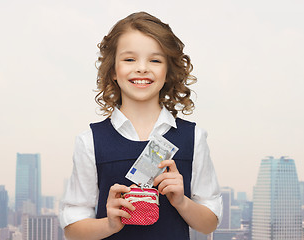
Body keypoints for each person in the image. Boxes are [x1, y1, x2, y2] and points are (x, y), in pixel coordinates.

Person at [59, 12, 222, 240]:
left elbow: (208, 224)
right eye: (129, 59)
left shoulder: (193, 138)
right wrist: (109, 225)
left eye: (155, 60)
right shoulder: (89, 142)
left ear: (168, 71)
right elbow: (72, 229)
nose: (142, 68)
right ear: (113, 70)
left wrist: (181, 201)